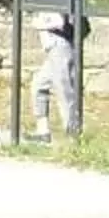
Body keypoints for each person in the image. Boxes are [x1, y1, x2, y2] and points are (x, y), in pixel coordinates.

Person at [35, 8, 83, 143]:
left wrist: (39, 24)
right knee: (38, 85)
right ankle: (43, 132)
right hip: (53, 50)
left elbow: (59, 22)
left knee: (64, 92)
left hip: (60, 48)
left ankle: (73, 136)